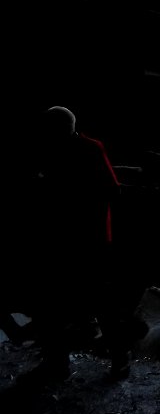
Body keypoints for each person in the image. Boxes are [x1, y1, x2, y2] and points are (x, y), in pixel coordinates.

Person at [22, 106, 133, 384]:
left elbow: (111, 189)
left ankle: (114, 358)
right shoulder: (79, 148)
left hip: (84, 239)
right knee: (65, 303)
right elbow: (112, 190)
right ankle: (103, 359)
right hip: (73, 239)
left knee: (87, 303)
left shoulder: (84, 149)